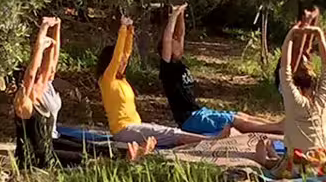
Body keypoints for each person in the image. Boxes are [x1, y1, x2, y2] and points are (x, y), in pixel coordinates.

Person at [15, 16, 155, 169]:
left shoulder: (41, 88)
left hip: (49, 148)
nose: (49, 74)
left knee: (88, 148)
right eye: (41, 76)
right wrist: (40, 44)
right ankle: (125, 161)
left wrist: (55, 28)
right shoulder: (25, 105)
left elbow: (51, 61)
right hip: (34, 159)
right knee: (83, 156)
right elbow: (30, 74)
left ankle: (129, 155)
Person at [97, 15, 231, 147]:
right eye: (120, 62)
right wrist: (122, 29)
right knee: (171, 133)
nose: (123, 63)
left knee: (165, 131)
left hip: (134, 126)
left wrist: (130, 30)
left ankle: (211, 139)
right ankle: (211, 140)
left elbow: (125, 54)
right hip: (124, 131)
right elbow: (118, 55)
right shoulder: (107, 79)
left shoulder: (122, 80)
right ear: (109, 63)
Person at [159, 3, 282, 135]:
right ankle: (277, 129)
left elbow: (180, 34)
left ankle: (277, 125)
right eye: (174, 42)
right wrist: (174, 16)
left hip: (199, 112)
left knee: (240, 115)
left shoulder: (178, 62)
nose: (178, 42)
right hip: (190, 120)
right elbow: (167, 38)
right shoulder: (168, 68)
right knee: (234, 120)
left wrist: (181, 15)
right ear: (168, 50)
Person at [255, 8, 326, 179]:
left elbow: (284, 69)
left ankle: (268, 159)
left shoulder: (293, 100)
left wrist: (290, 35)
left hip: (296, 168)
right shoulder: (323, 99)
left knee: (281, 163)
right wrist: (320, 36)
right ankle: (271, 156)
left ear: (295, 82)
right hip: (323, 166)